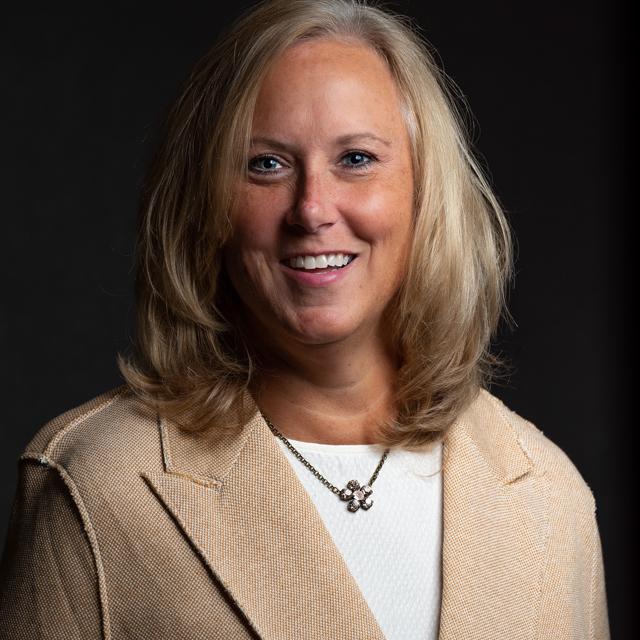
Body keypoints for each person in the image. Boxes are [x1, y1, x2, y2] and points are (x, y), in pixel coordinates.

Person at [0, 1, 610, 638]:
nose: (312, 209)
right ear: (204, 201)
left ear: (426, 191)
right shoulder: (98, 486)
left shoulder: (548, 494)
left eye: (356, 159)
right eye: (265, 164)